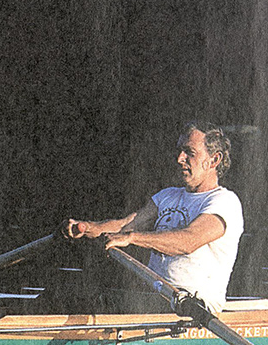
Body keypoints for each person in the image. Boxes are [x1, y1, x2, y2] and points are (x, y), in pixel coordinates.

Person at [64, 121, 243, 313]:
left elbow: (188, 241)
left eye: (189, 152)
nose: (179, 158)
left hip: (192, 307)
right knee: (69, 291)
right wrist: (87, 228)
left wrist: (133, 238)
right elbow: (126, 225)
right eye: (180, 151)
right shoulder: (167, 196)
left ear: (214, 160)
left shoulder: (225, 202)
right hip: (153, 299)